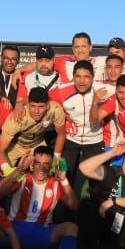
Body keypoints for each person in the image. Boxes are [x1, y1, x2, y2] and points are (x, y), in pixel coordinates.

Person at [0, 146, 86, 249]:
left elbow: (75, 206)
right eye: (37, 163)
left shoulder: (55, 183)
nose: (41, 168)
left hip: (42, 233)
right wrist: (19, 169)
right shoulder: (21, 178)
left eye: (46, 164)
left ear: (51, 166)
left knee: (71, 228)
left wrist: (64, 180)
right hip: (15, 230)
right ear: (32, 164)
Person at [50, 59, 106, 196]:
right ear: (73, 77)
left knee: (94, 185)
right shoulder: (62, 90)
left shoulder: (102, 90)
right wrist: (59, 112)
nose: (82, 81)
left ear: (93, 78)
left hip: (95, 141)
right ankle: (64, 214)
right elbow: (39, 100)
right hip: (70, 140)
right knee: (64, 176)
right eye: (78, 76)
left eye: (86, 77)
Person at [0, 87, 66, 168]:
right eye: (33, 106)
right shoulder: (18, 118)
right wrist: (7, 170)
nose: (36, 111)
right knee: (7, 174)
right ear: (27, 105)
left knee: (51, 170)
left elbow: (61, 134)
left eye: (41, 106)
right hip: (15, 145)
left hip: (38, 144)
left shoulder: (55, 110)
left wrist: (56, 159)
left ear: (48, 106)